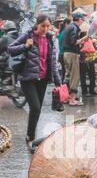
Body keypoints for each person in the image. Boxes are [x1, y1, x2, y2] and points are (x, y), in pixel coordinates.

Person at [8, 14, 61, 147]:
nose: (45, 29)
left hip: (42, 79)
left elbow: (53, 63)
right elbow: (11, 49)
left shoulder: (50, 40)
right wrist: (25, 46)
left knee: (36, 110)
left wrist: (58, 82)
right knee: (35, 107)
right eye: (43, 26)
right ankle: (30, 136)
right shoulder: (28, 36)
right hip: (28, 78)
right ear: (37, 25)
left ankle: (30, 134)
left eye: (48, 26)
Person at [62, 12, 87, 106]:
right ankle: (72, 99)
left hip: (66, 53)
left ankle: (65, 97)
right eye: (82, 20)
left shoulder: (68, 26)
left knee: (68, 76)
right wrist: (84, 38)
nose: (82, 22)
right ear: (79, 19)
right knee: (75, 76)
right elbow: (73, 42)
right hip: (72, 54)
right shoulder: (74, 28)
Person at [78, 29, 97, 97]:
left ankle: (85, 91)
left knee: (83, 76)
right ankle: (90, 90)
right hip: (88, 59)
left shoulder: (80, 41)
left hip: (83, 60)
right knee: (91, 75)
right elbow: (94, 49)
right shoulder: (82, 41)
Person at [57, 18, 71, 83]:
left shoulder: (61, 32)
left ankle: (62, 85)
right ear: (66, 24)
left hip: (61, 54)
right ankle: (64, 87)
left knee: (64, 71)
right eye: (70, 24)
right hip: (64, 54)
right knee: (66, 72)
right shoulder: (66, 32)